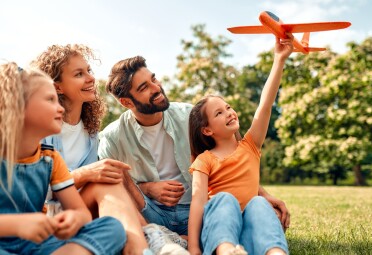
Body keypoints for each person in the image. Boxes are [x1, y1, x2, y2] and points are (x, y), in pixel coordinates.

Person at [98, 55, 290, 238]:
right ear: (126, 102)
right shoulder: (113, 137)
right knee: (115, 175)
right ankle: (156, 234)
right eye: (144, 87)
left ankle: (177, 238)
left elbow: (231, 158)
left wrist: (263, 194)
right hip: (150, 212)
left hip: (197, 208)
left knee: (269, 215)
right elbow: (115, 191)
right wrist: (147, 188)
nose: (156, 88)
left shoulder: (189, 115)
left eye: (154, 79)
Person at [32, 44, 188, 255]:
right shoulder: (43, 128)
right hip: (51, 213)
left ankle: (144, 243)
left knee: (109, 176)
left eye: (89, 71)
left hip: (83, 209)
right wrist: (86, 173)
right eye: (79, 74)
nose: (90, 78)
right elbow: (36, 190)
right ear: (57, 87)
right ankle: (147, 240)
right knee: (105, 178)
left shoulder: (91, 131)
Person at [0, 62, 126, 255]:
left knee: (112, 228)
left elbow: (80, 212)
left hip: (38, 245)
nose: (59, 108)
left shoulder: (50, 158)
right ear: (17, 105)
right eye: (50, 100)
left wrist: (74, 219)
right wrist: (16, 225)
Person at [187, 35, 293, 255]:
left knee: (259, 204)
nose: (229, 112)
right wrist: (194, 248)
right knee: (224, 199)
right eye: (219, 113)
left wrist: (279, 59)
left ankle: (275, 252)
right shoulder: (204, 160)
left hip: (250, 234)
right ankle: (227, 251)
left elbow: (265, 104)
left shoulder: (250, 145)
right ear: (207, 130)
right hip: (221, 234)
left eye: (227, 107)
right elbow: (197, 203)